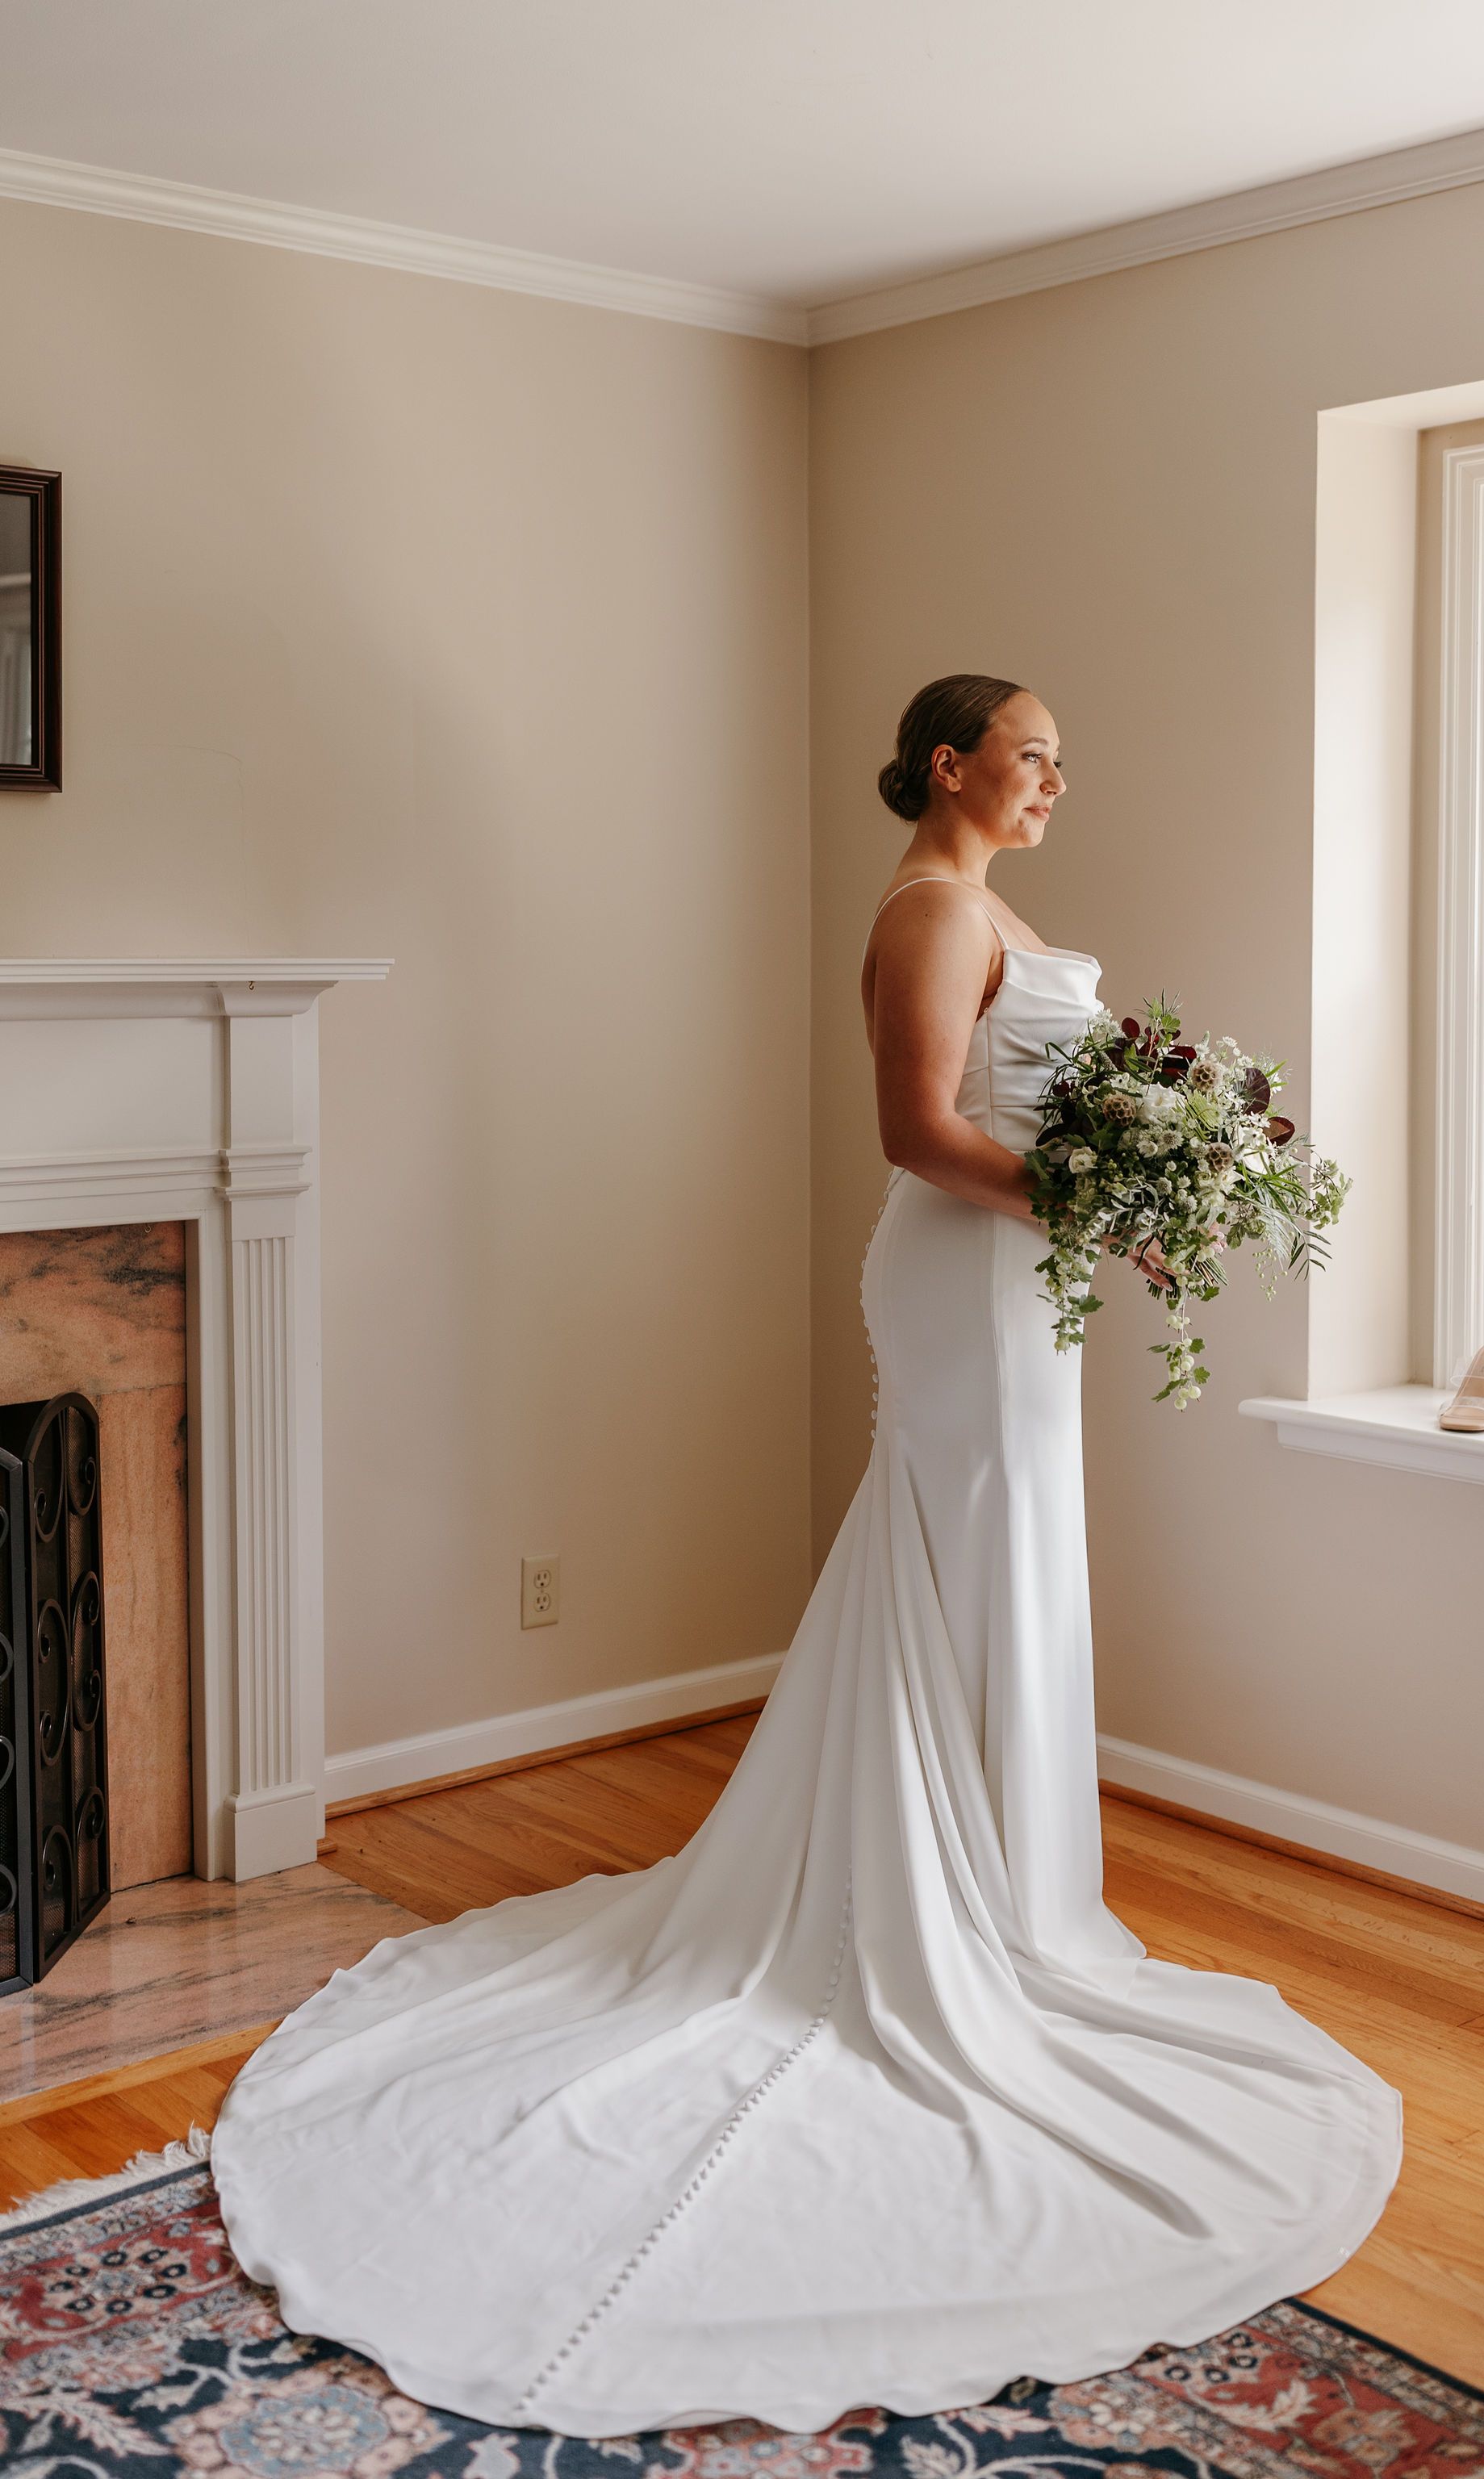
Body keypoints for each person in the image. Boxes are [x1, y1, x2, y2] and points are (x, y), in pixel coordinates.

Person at [211, 673, 1402, 2439]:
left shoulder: (989, 905)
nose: (1057, 780)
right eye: (1034, 755)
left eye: (1060, 759)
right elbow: (918, 1131)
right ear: (952, 763)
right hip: (965, 1275)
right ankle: (952, 1916)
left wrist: (1135, 1194)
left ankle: (1013, 1896)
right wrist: (1099, 1205)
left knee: (1005, 1557)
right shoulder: (926, 911)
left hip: (1022, 1281)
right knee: (967, 1547)